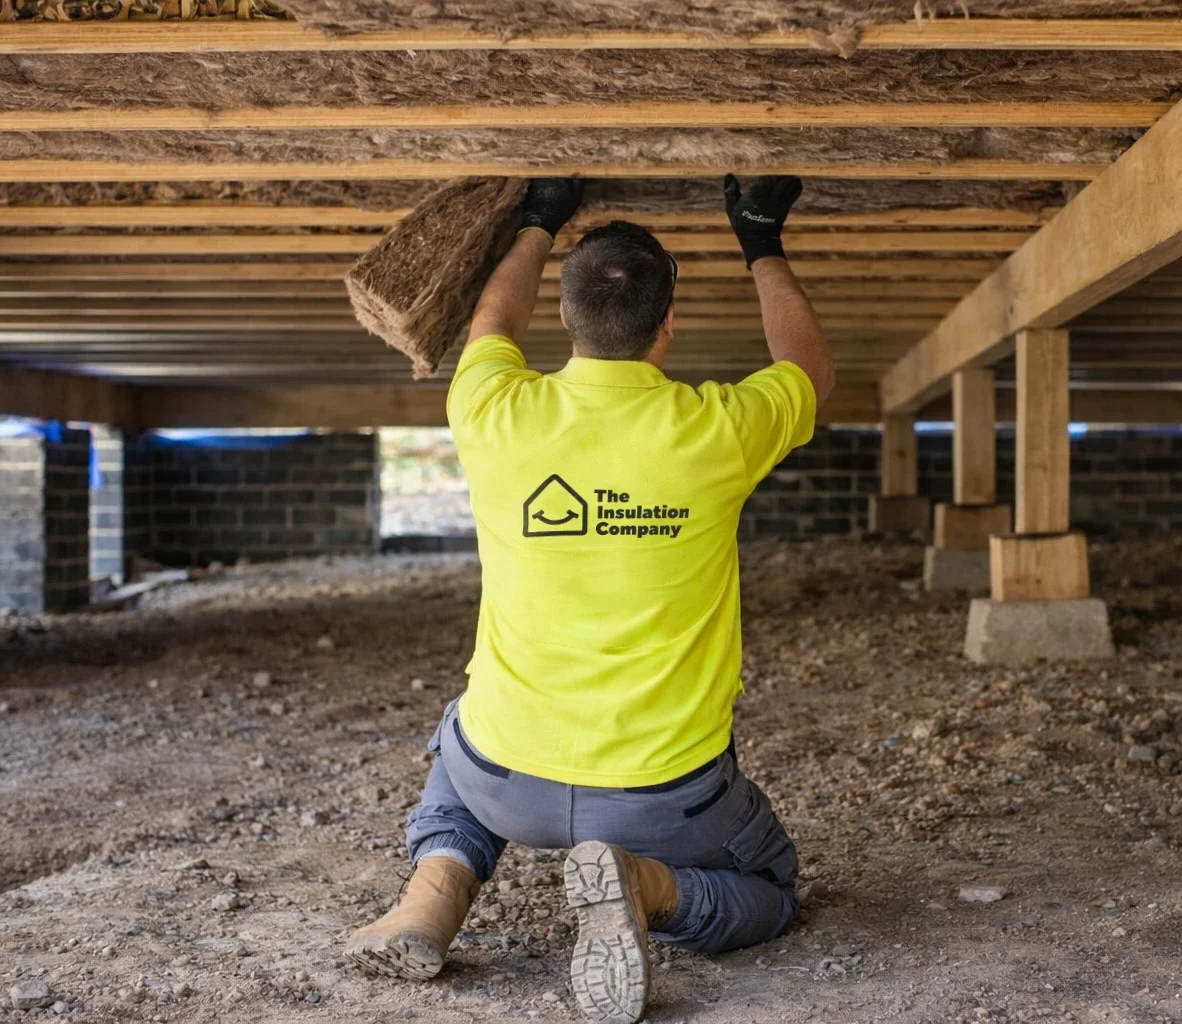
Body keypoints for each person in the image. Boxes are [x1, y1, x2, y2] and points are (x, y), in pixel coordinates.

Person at [346, 175, 835, 1024]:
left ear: (565, 318)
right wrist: (760, 238)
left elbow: (492, 322)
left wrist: (536, 221)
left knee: (461, 753)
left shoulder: (493, 408)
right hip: (663, 797)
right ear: (668, 324)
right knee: (770, 888)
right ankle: (645, 886)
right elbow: (806, 370)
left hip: (502, 775)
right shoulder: (715, 429)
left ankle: (433, 897)